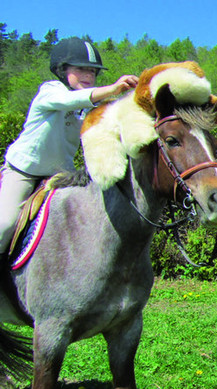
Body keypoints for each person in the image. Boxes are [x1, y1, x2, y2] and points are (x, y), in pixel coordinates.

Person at [0, 37, 138, 267]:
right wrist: (113, 88)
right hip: (24, 173)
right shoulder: (50, 91)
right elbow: (70, 100)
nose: (88, 75)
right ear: (62, 70)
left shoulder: (90, 106)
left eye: (93, 71)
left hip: (60, 177)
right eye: (81, 68)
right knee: (4, 224)